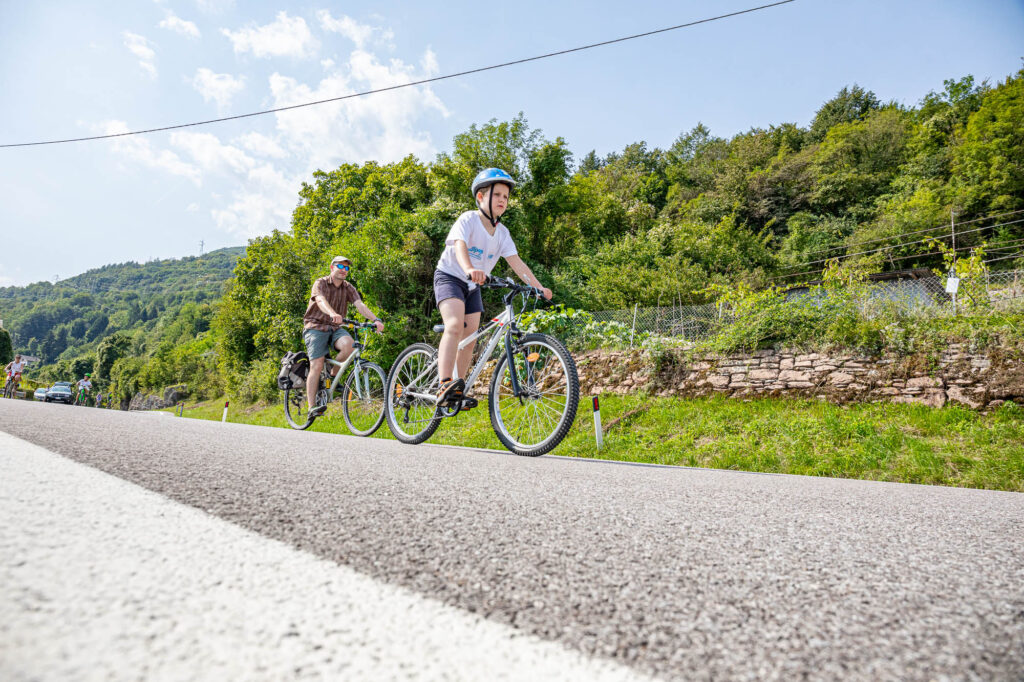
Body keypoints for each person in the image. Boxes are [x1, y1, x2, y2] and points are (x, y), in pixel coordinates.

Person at [432, 168, 552, 408]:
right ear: (480, 197)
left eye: (506, 197)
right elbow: (459, 244)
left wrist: (538, 287)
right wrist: (469, 268)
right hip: (450, 277)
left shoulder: (503, 233)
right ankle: (444, 383)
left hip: (473, 285)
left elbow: (516, 262)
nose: (502, 200)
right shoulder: (468, 219)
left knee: (471, 337)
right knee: (454, 326)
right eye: (497, 194)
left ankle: (457, 389)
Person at [302, 256, 384, 418]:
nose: (344, 270)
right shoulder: (320, 283)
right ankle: (311, 406)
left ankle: (332, 377)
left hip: (335, 328)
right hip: (315, 326)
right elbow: (320, 300)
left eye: (346, 268)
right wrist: (332, 313)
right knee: (317, 364)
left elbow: (359, 305)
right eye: (340, 266)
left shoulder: (348, 287)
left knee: (350, 345)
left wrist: (375, 320)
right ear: (332, 267)